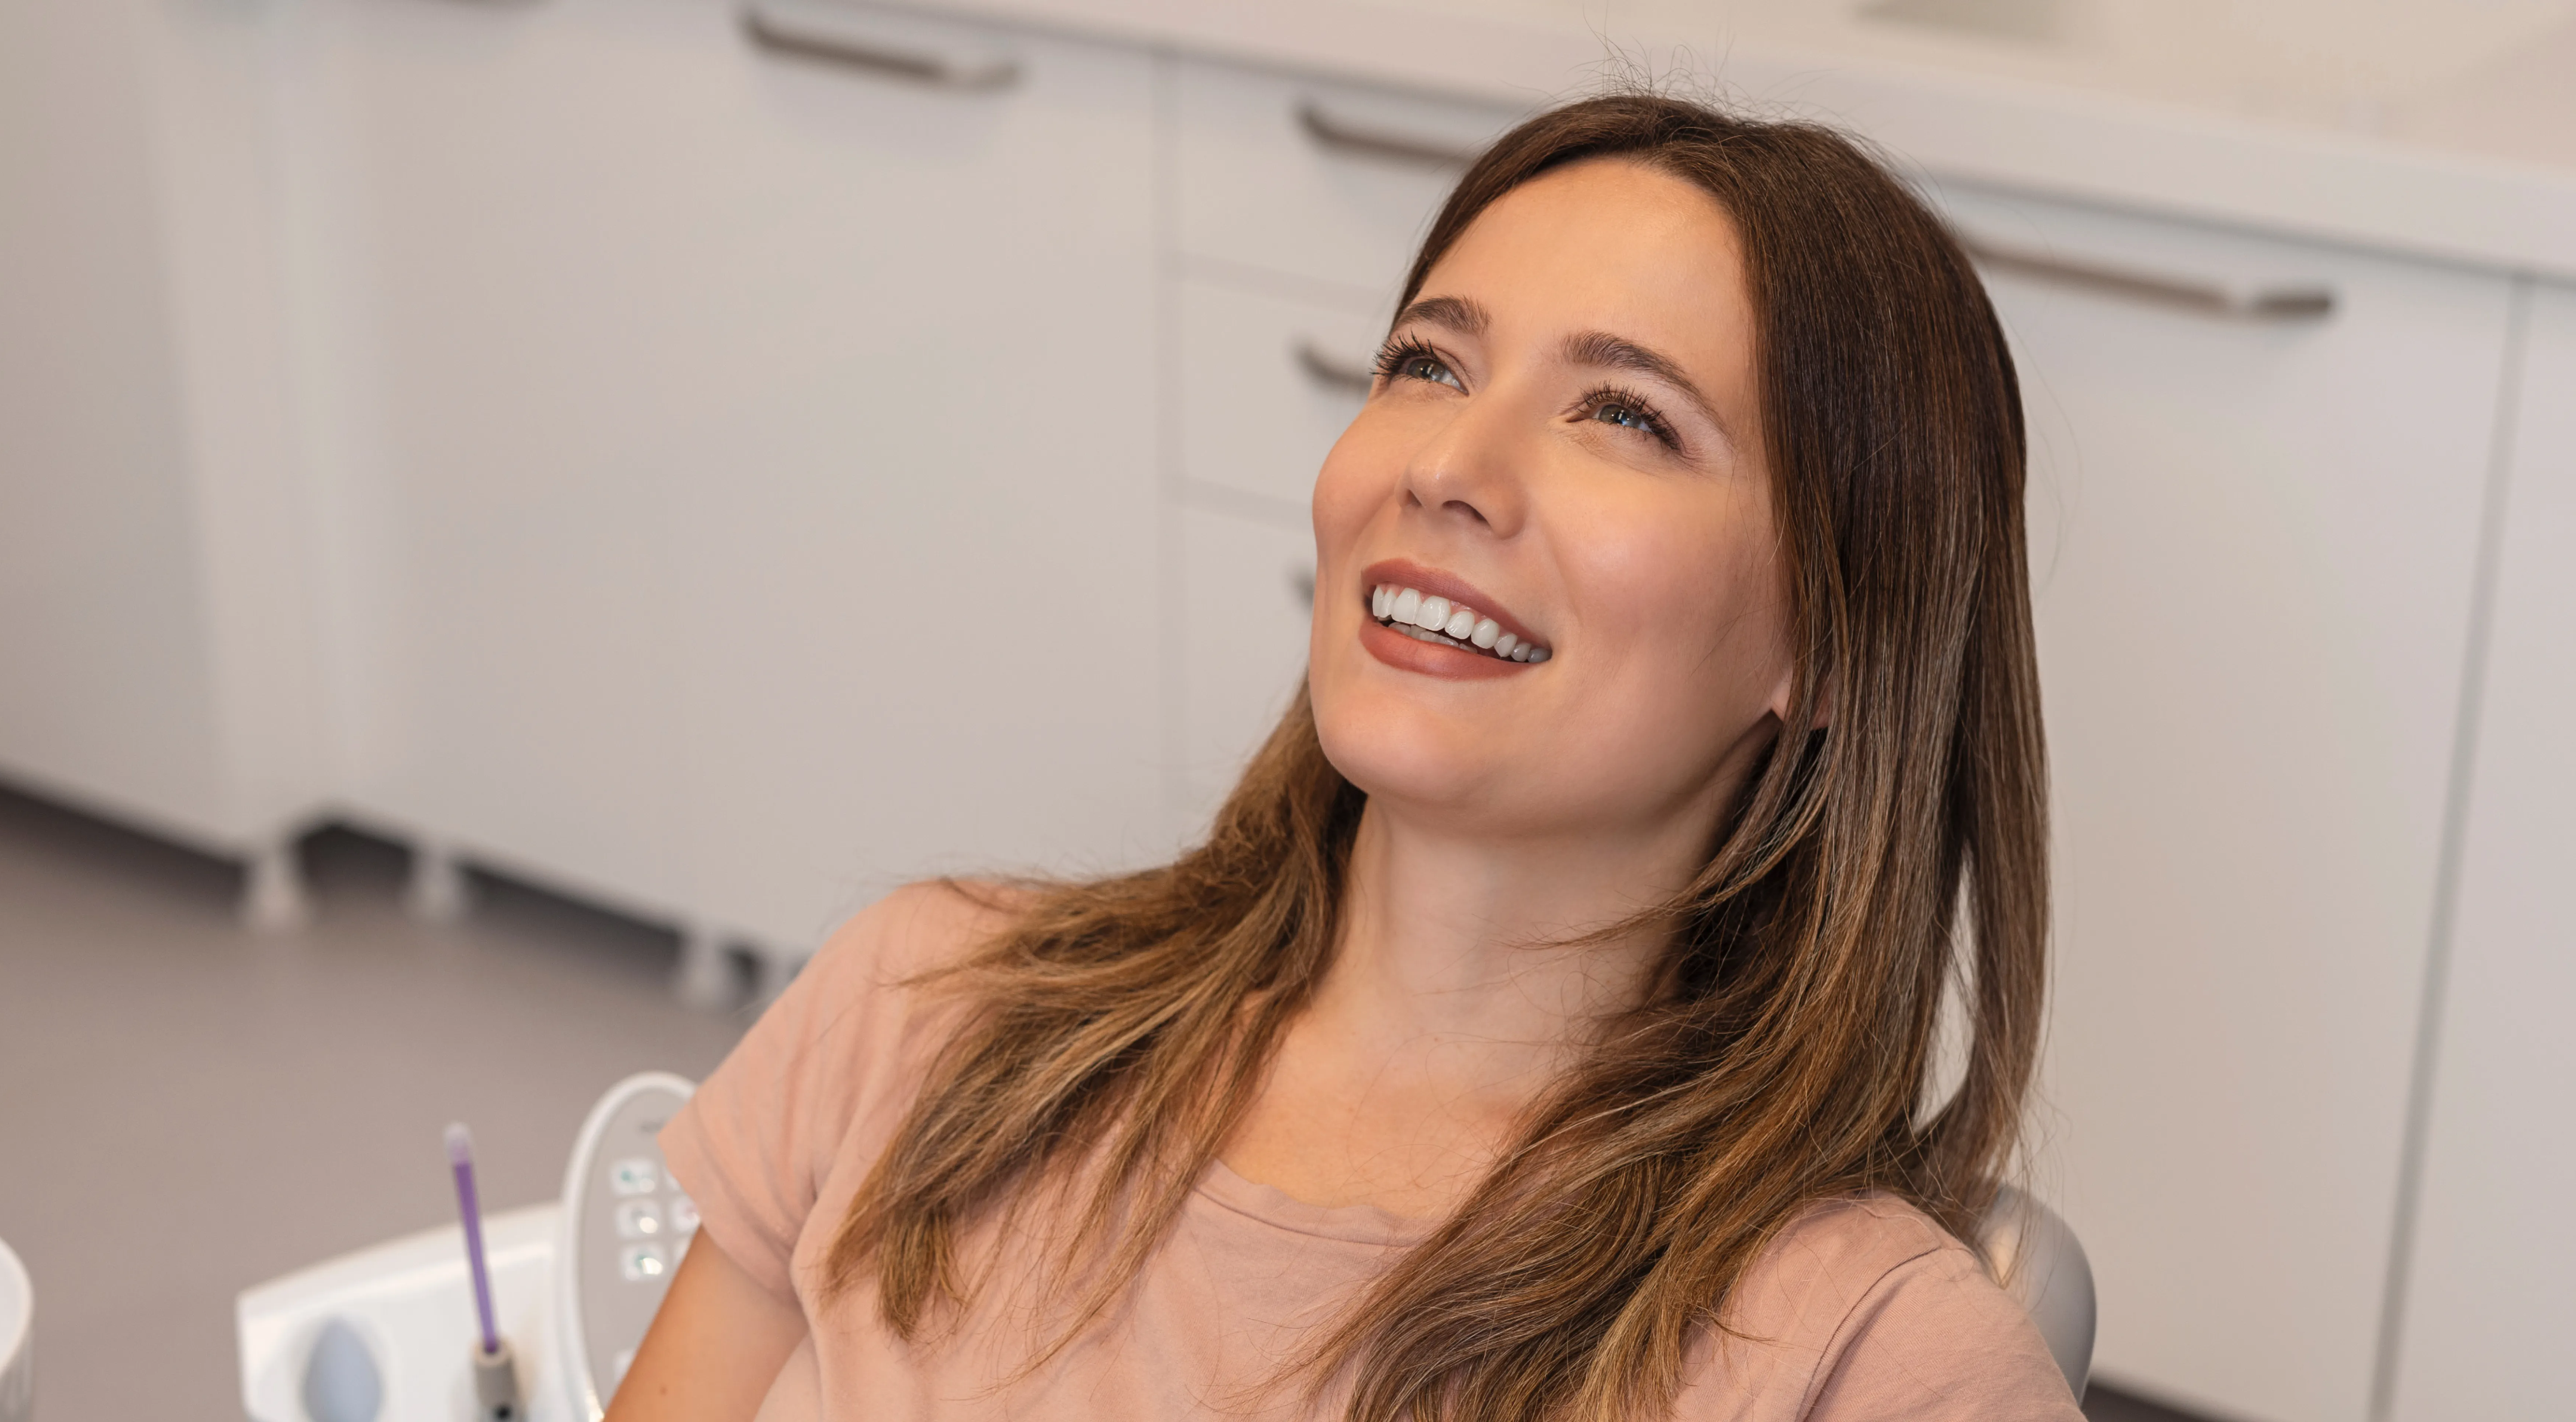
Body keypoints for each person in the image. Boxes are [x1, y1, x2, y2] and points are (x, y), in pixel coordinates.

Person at [606, 91, 2076, 1422]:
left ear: (1827, 643)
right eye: (1429, 364)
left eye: (1625, 414)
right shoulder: (922, 1015)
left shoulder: (1871, 1359)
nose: (1446, 466)